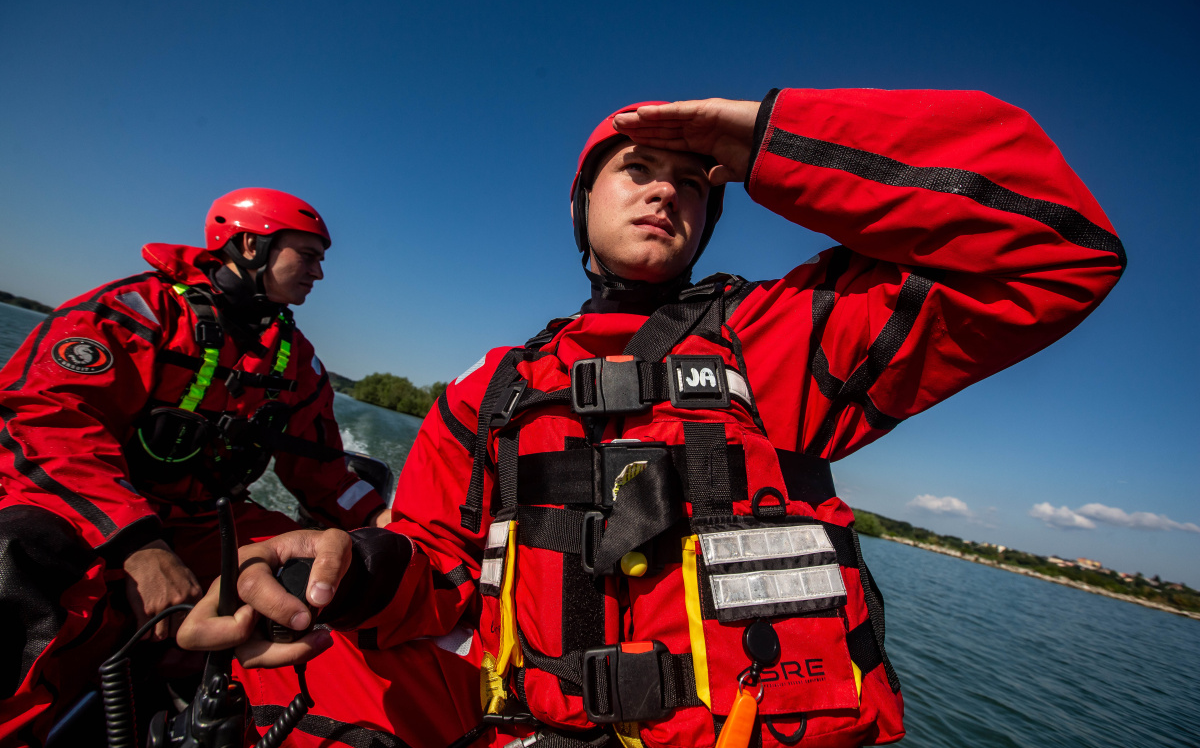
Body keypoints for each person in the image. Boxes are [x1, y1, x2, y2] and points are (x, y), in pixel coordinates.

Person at [180, 90, 1125, 748]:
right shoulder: (490, 391)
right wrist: (365, 570)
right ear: (582, 200)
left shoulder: (781, 341)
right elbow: (439, 573)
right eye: (635, 168)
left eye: (693, 178)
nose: (665, 187)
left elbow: (1057, 251)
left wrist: (769, 139)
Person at [0, 188, 393, 746]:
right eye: (308, 255)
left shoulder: (295, 358)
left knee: (332, 568)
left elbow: (323, 471)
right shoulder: (140, 310)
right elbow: (48, 420)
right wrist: (137, 544)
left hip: (205, 518)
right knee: (24, 556)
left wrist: (386, 525)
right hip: (90, 507)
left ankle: (239, 705)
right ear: (252, 245)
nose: (319, 273)